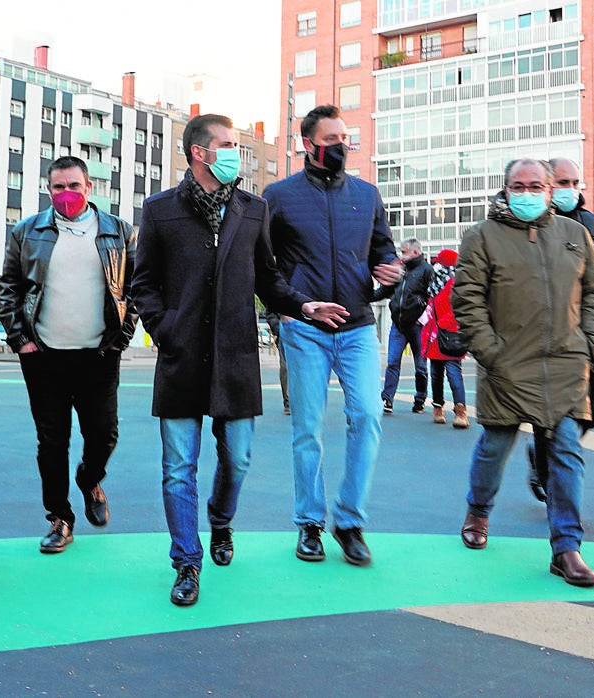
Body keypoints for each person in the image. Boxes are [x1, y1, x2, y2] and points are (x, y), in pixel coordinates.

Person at [132, 113, 346, 606]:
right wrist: (163, 329)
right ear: (199, 153)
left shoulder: (253, 209)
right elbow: (142, 282)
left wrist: (303, 304)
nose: (236, 154)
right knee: (178, 467)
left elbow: (267, 278)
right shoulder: (160, 210)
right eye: (227, 145)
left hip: (235, 358)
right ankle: (187, 563)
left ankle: (220, 521)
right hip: (181, 358)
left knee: (239, 458)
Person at [452, 158, 594, 587]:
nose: (526, 192)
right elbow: (466, 299)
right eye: (517, 185)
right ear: (505, 188)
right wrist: (490, 352)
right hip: (507, 364)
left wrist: (590, 340)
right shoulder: (482, 236)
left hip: (565, 362)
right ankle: (478, 511)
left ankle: (567, 548)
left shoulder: (575, 235)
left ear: (548, 188)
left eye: (535, 185)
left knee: (566, 453)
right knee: (494, 445)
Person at [264, 104, 403, 566]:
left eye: (346, 138)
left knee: (367, 416)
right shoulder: (278, 196)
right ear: (309, 144)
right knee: (308, 428)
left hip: (359, 325)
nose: (342, 146)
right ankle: (309, 523)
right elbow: (266, 268)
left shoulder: (367, 194)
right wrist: (286, 310)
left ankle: (350, 521)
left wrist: (390, 275)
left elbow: (384, 253)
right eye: (333, 139)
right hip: (304, 327)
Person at [0, 156, 137, 554]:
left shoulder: (119, 232)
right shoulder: (26, 232)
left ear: (89, 188)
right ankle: (60, 518)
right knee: (51, 442)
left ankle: (90, 479)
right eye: (58, 187)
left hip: (99, 354)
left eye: (74, 186)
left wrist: (120, 338)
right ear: (49, 189)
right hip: (44, 356)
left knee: (103, 435)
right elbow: (8, 287)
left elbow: (135, 288)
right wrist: (20, 340)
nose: (66, 194)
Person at [527, 157, 594, 502]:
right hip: (551, 339)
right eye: (562, 182)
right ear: (547, 184)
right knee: (551, 419)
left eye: (575, 182)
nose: (570, 189)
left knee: (591, 414)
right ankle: (548, 477)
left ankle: (543, 461)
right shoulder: (531, 224)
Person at [374, 237, 434, 414]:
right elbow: (383, 291)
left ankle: (420, 399)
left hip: (417, 326)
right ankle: (387, 399)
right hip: (398, 325)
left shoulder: (426, 270)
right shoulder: (399, 270)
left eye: (404, 251)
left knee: (421, 366)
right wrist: (365, 296)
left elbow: (432, 297)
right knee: (392, 362)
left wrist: (422, 318)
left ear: (415, 252)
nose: (401, 255)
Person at [418, 249, 469, 428]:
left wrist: (442, 325)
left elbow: (458, 309)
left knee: (450, 373)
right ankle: (442, 408)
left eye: (438, 262)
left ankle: (457, 410)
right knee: (438, 373)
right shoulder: (437, 282)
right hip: (439, 334)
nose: (435, 265)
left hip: (447, 333)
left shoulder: (453, 283)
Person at [264, 309, 290, 415]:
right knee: (286, 368)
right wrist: (279, 329)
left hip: (307, 334)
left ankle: (306, 401)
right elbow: (271, 312)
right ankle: (288, 402)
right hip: (285, 334)